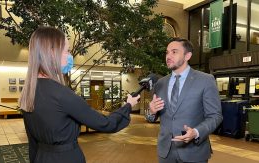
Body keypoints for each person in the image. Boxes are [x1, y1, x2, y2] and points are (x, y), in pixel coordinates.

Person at [19, 26, 140, 163]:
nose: (70, 56)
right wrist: (128, 106)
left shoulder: (28, 92)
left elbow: (32, 143)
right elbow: (106, 124)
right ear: (52, 53)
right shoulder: (62, 94)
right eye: (67, 51)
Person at [146, 38, 223, 163]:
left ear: (187, 56)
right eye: (167, 52)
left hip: (194, 152)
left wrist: (196, 132)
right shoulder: (161, 83)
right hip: (165, 153)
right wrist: (151, 112)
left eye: (174, 52)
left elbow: (215, 116)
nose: (168, 56)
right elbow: (151, 118)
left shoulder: (206, 80)